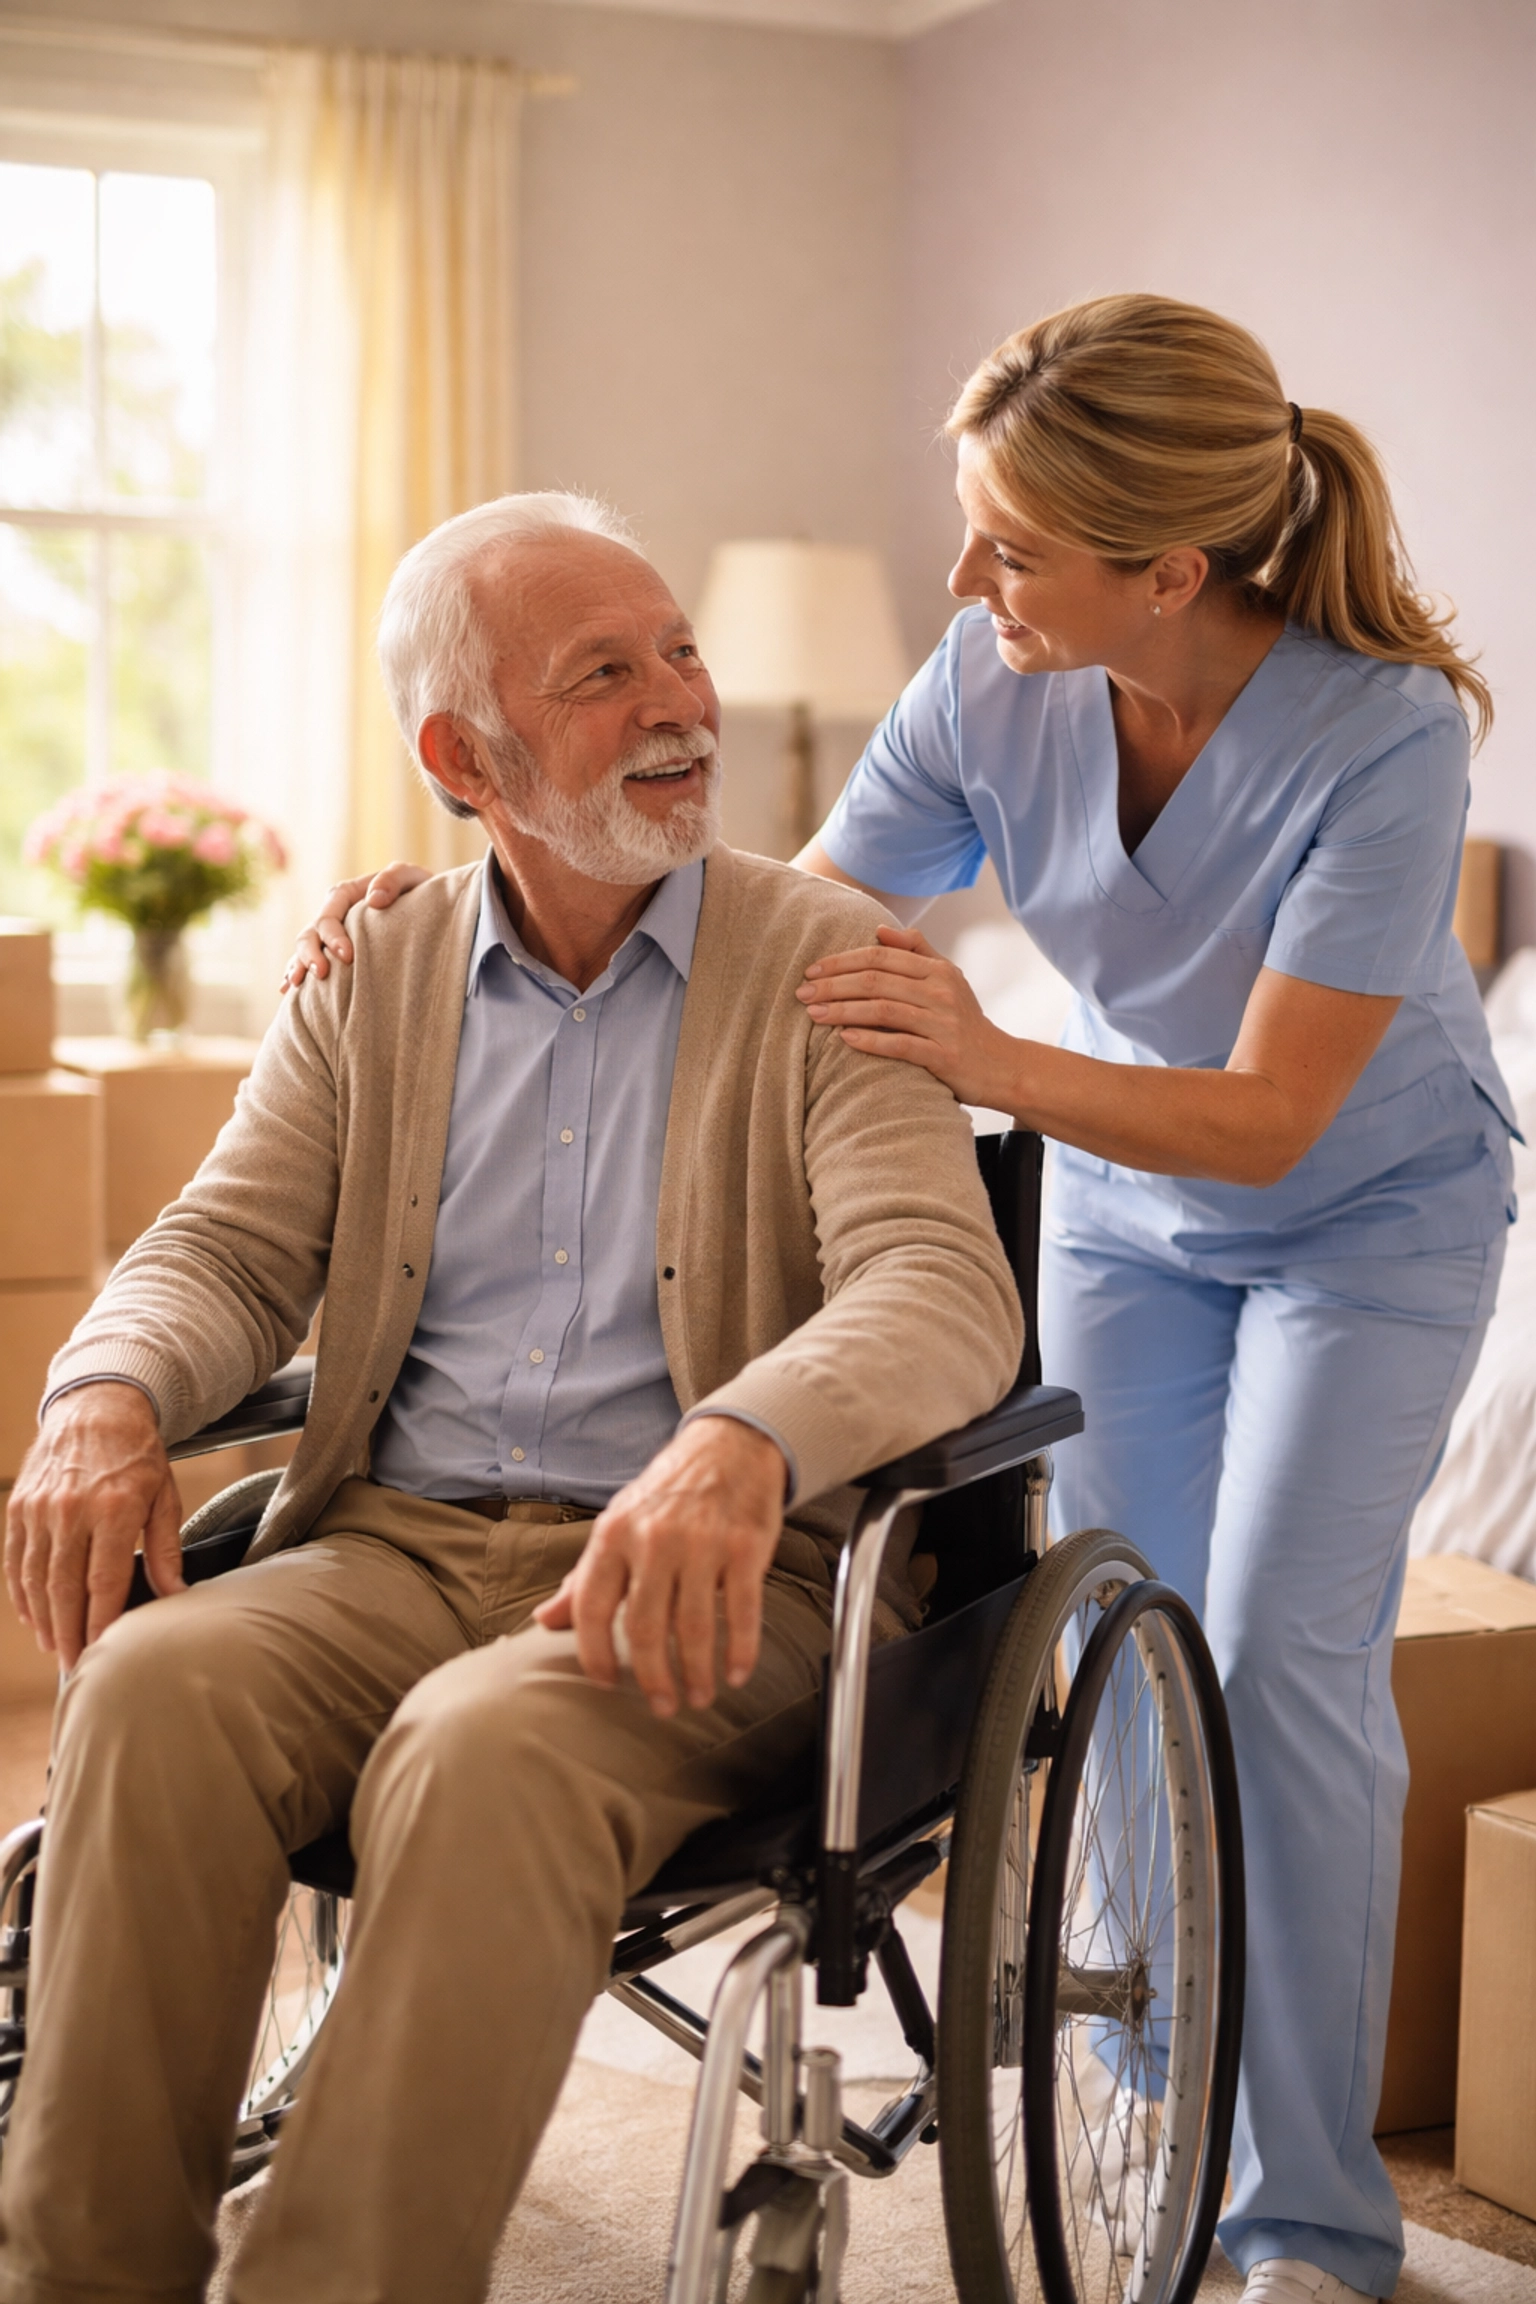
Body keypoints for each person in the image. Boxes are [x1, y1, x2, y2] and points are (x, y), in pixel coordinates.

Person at [298, 300, 1514, 2304]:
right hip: (1130, 1216)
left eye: (1010, 547)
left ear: (1169, 572)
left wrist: (984, 1052)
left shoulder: (1381, 734)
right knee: (1129, 1656)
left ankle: (1311, 2219)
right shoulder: (991, 675)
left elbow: (1280, 1116)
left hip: (1359, 1219)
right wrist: (453, 891)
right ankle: (1155, 2091)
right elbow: (773, 923)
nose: (964, 580)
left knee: (1284, 1657)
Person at [0, 493, 1021, 2304]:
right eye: (604, 674)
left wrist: (743, 1438)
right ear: (462, 755)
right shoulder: (369, 975)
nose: (676, 705)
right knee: (152, 1684)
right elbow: (227, 1250)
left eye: (681, 653)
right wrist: (102, 1393)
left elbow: (939, 1291)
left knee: (481, 1749)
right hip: (389, 1545)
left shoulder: (826, 966)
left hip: (716, 1580)